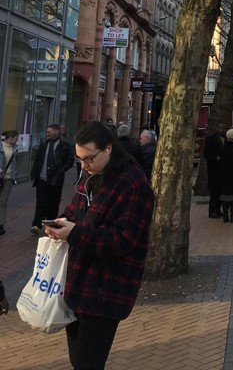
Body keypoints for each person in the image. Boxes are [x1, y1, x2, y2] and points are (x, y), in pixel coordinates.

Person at [44, 121, 153, 370]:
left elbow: (122, 240)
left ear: (108, 149)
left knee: (88, 362)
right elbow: (75, 211)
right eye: (80, 159)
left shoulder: (134, 185)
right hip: (78, 284)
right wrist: (62, 222)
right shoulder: (89, 176)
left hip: (106, 290)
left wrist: (74, 234)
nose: (84, 165)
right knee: (79, 360)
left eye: (89, 158)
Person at [30, 124, 74, 236]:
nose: (47, 133)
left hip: (56, 179)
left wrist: (62, 170)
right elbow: (38, 159)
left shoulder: (65, 145)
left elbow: (70, 160)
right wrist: (34, 173)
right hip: (42, 178)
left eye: (49, 131)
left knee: (53, 203)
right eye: (47, 132)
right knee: (41, 202)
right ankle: (36, 224)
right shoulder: (44, 144)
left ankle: (50, 225)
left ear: (56, 132)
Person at [204, 123, 226, 218]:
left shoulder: (224, 139)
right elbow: (206, 154)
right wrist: (215, 158)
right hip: (213, 169)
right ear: (217, 128)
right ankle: (212, 211)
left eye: (223, 128)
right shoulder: (211, 139)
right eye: (220, 128)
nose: (222, 130)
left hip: (221, 169)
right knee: (214, 192)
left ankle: (217, 209)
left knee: (220, 191)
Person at [0, 130, 19, 236]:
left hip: (8, 179)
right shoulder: (1, 146)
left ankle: (1, 224)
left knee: (3, 202)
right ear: (10, 137)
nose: (17, 140)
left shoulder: (15, 148)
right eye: (16, 138)